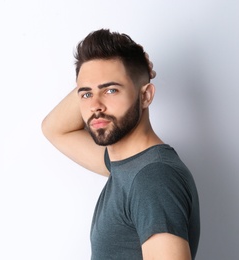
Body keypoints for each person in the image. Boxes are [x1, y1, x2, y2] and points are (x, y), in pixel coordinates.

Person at [41, 28, 200, 260]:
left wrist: (130, 74)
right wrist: (98, 80)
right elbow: (54, 128)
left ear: (145, 96)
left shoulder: (153, 178)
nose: (95, 106)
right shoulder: (123, 164)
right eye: (86, 94)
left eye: (111, 90)